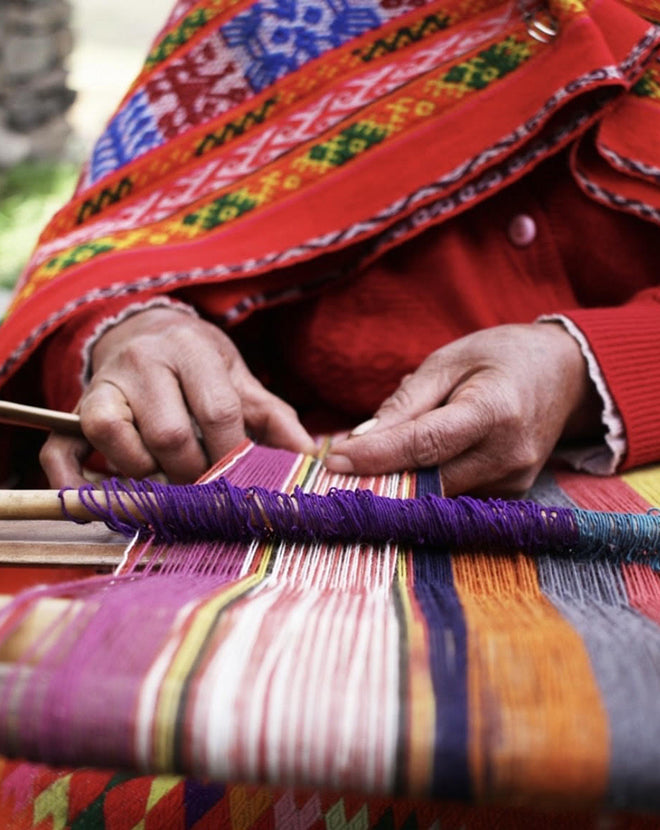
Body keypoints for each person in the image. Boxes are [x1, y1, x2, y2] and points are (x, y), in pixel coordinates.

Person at [2, 0, 659, 495]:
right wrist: (134, 332)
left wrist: (585, 372)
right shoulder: (263, 17)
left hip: (623, 506)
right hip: (261, 511)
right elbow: (105, 259)